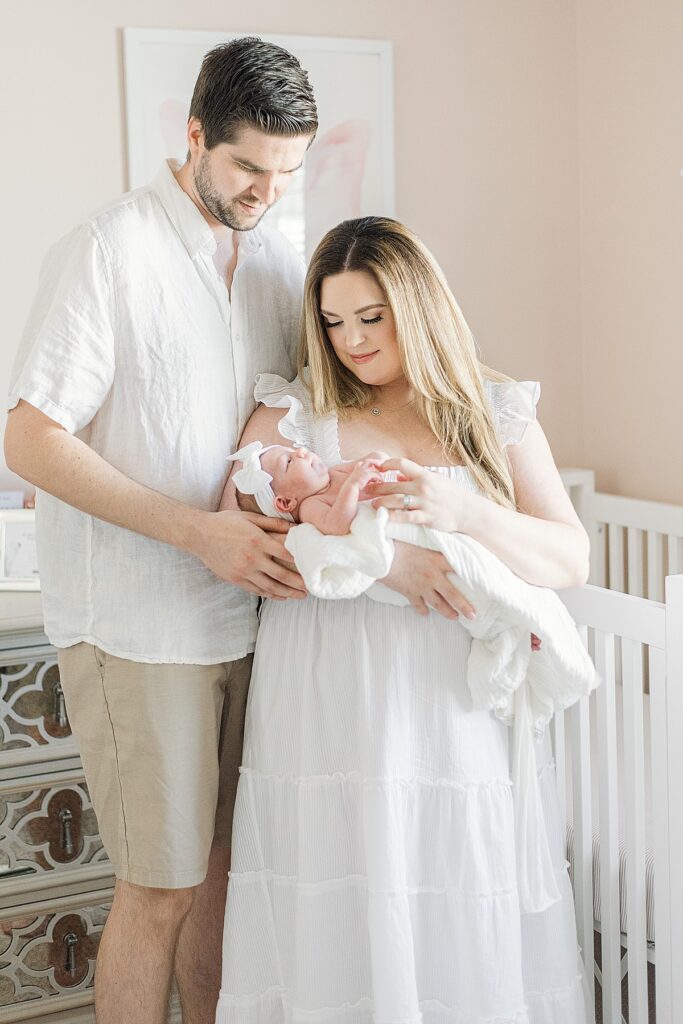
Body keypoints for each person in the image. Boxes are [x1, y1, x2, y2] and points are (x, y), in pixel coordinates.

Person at [4, 37, 317, 1024]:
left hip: (250, 621)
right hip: (142, 630)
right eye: (247, 168)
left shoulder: (276, 261)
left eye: (285, 173)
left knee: (225, 881)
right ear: (193, 137)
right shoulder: (107, 251)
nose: (265, 192)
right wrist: (198, 534)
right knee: (160, 891)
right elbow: (30, 439)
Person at [215, 217, 593, 1024]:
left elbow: (568, 559)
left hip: (445, 702)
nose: (350, 340)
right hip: (327, 690)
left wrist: (466, 513)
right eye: (332, 320)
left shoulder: (493, 412)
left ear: (415, 306)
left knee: (445, 877)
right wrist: (387, 566)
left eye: (370, 317)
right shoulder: (295, 417)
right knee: (339, 877)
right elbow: (242, 534)